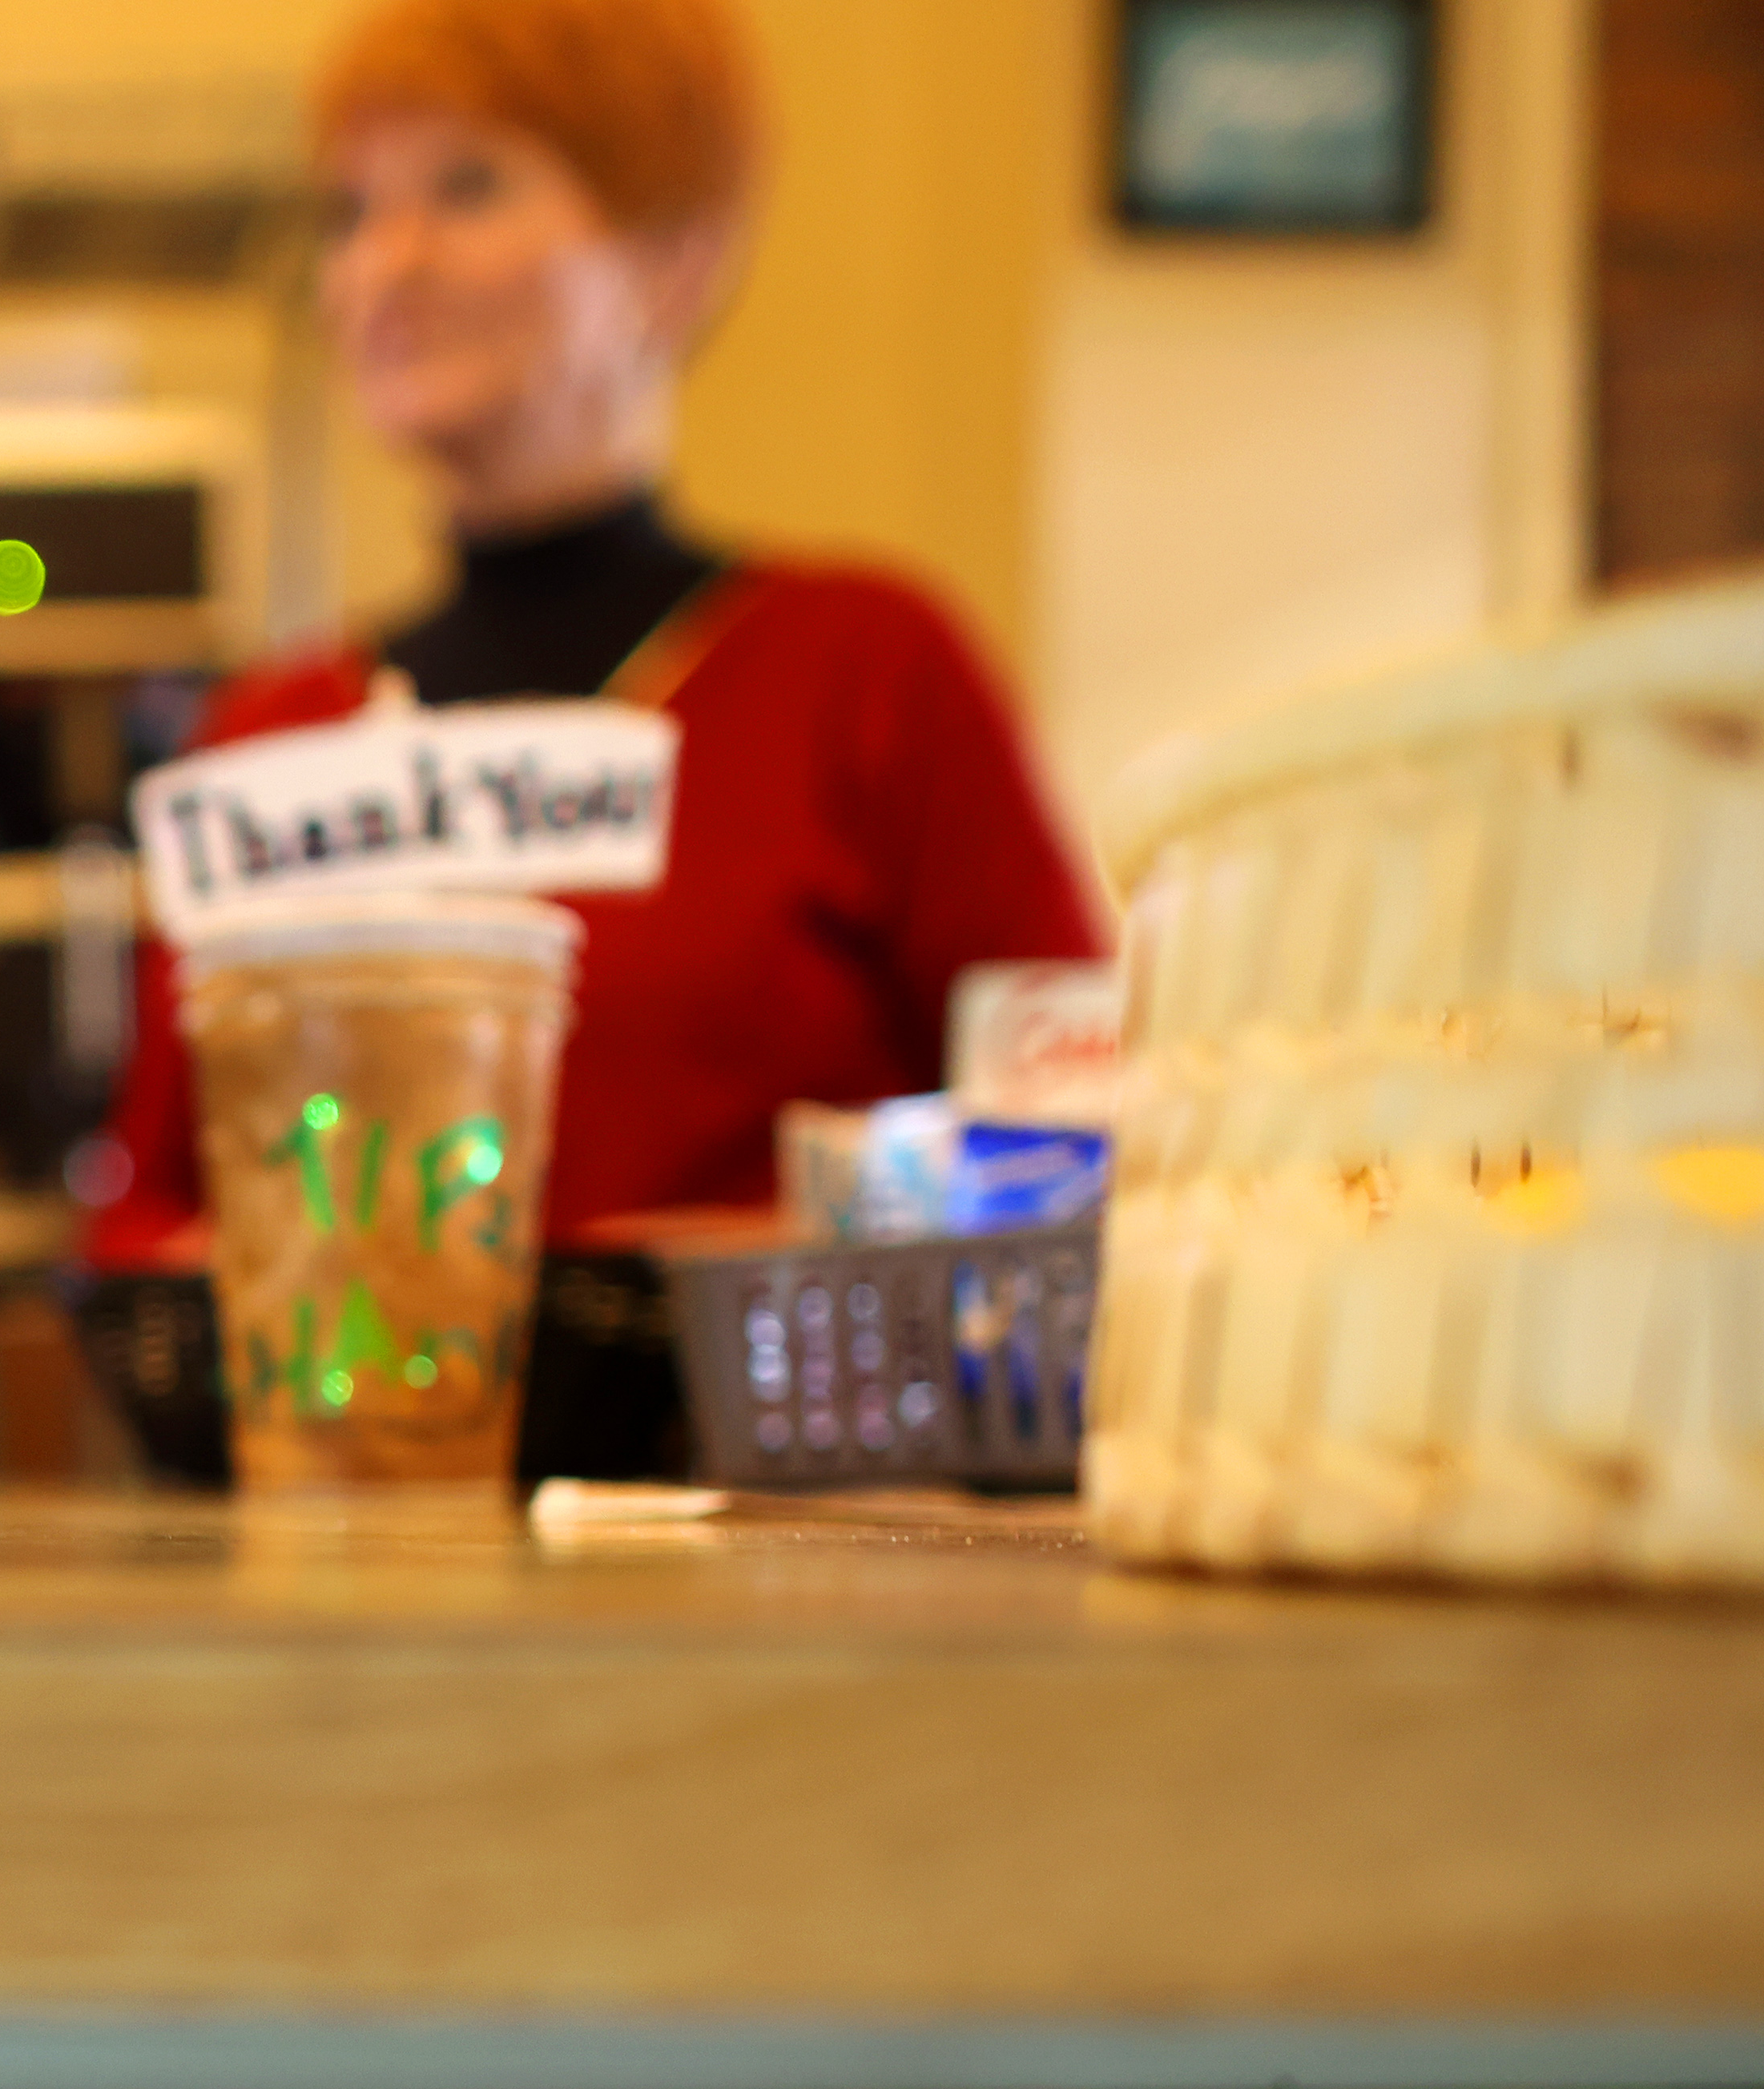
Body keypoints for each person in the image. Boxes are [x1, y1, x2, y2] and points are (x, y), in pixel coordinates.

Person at [79, 0, 1105, 1467]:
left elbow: (1065, 1125)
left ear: (670, 256)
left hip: (792, 1580)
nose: (385, 263)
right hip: (366, 1552)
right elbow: (152, 1215)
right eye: (352, 210)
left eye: (469, 187)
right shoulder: (267, 740)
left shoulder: (866, 671)